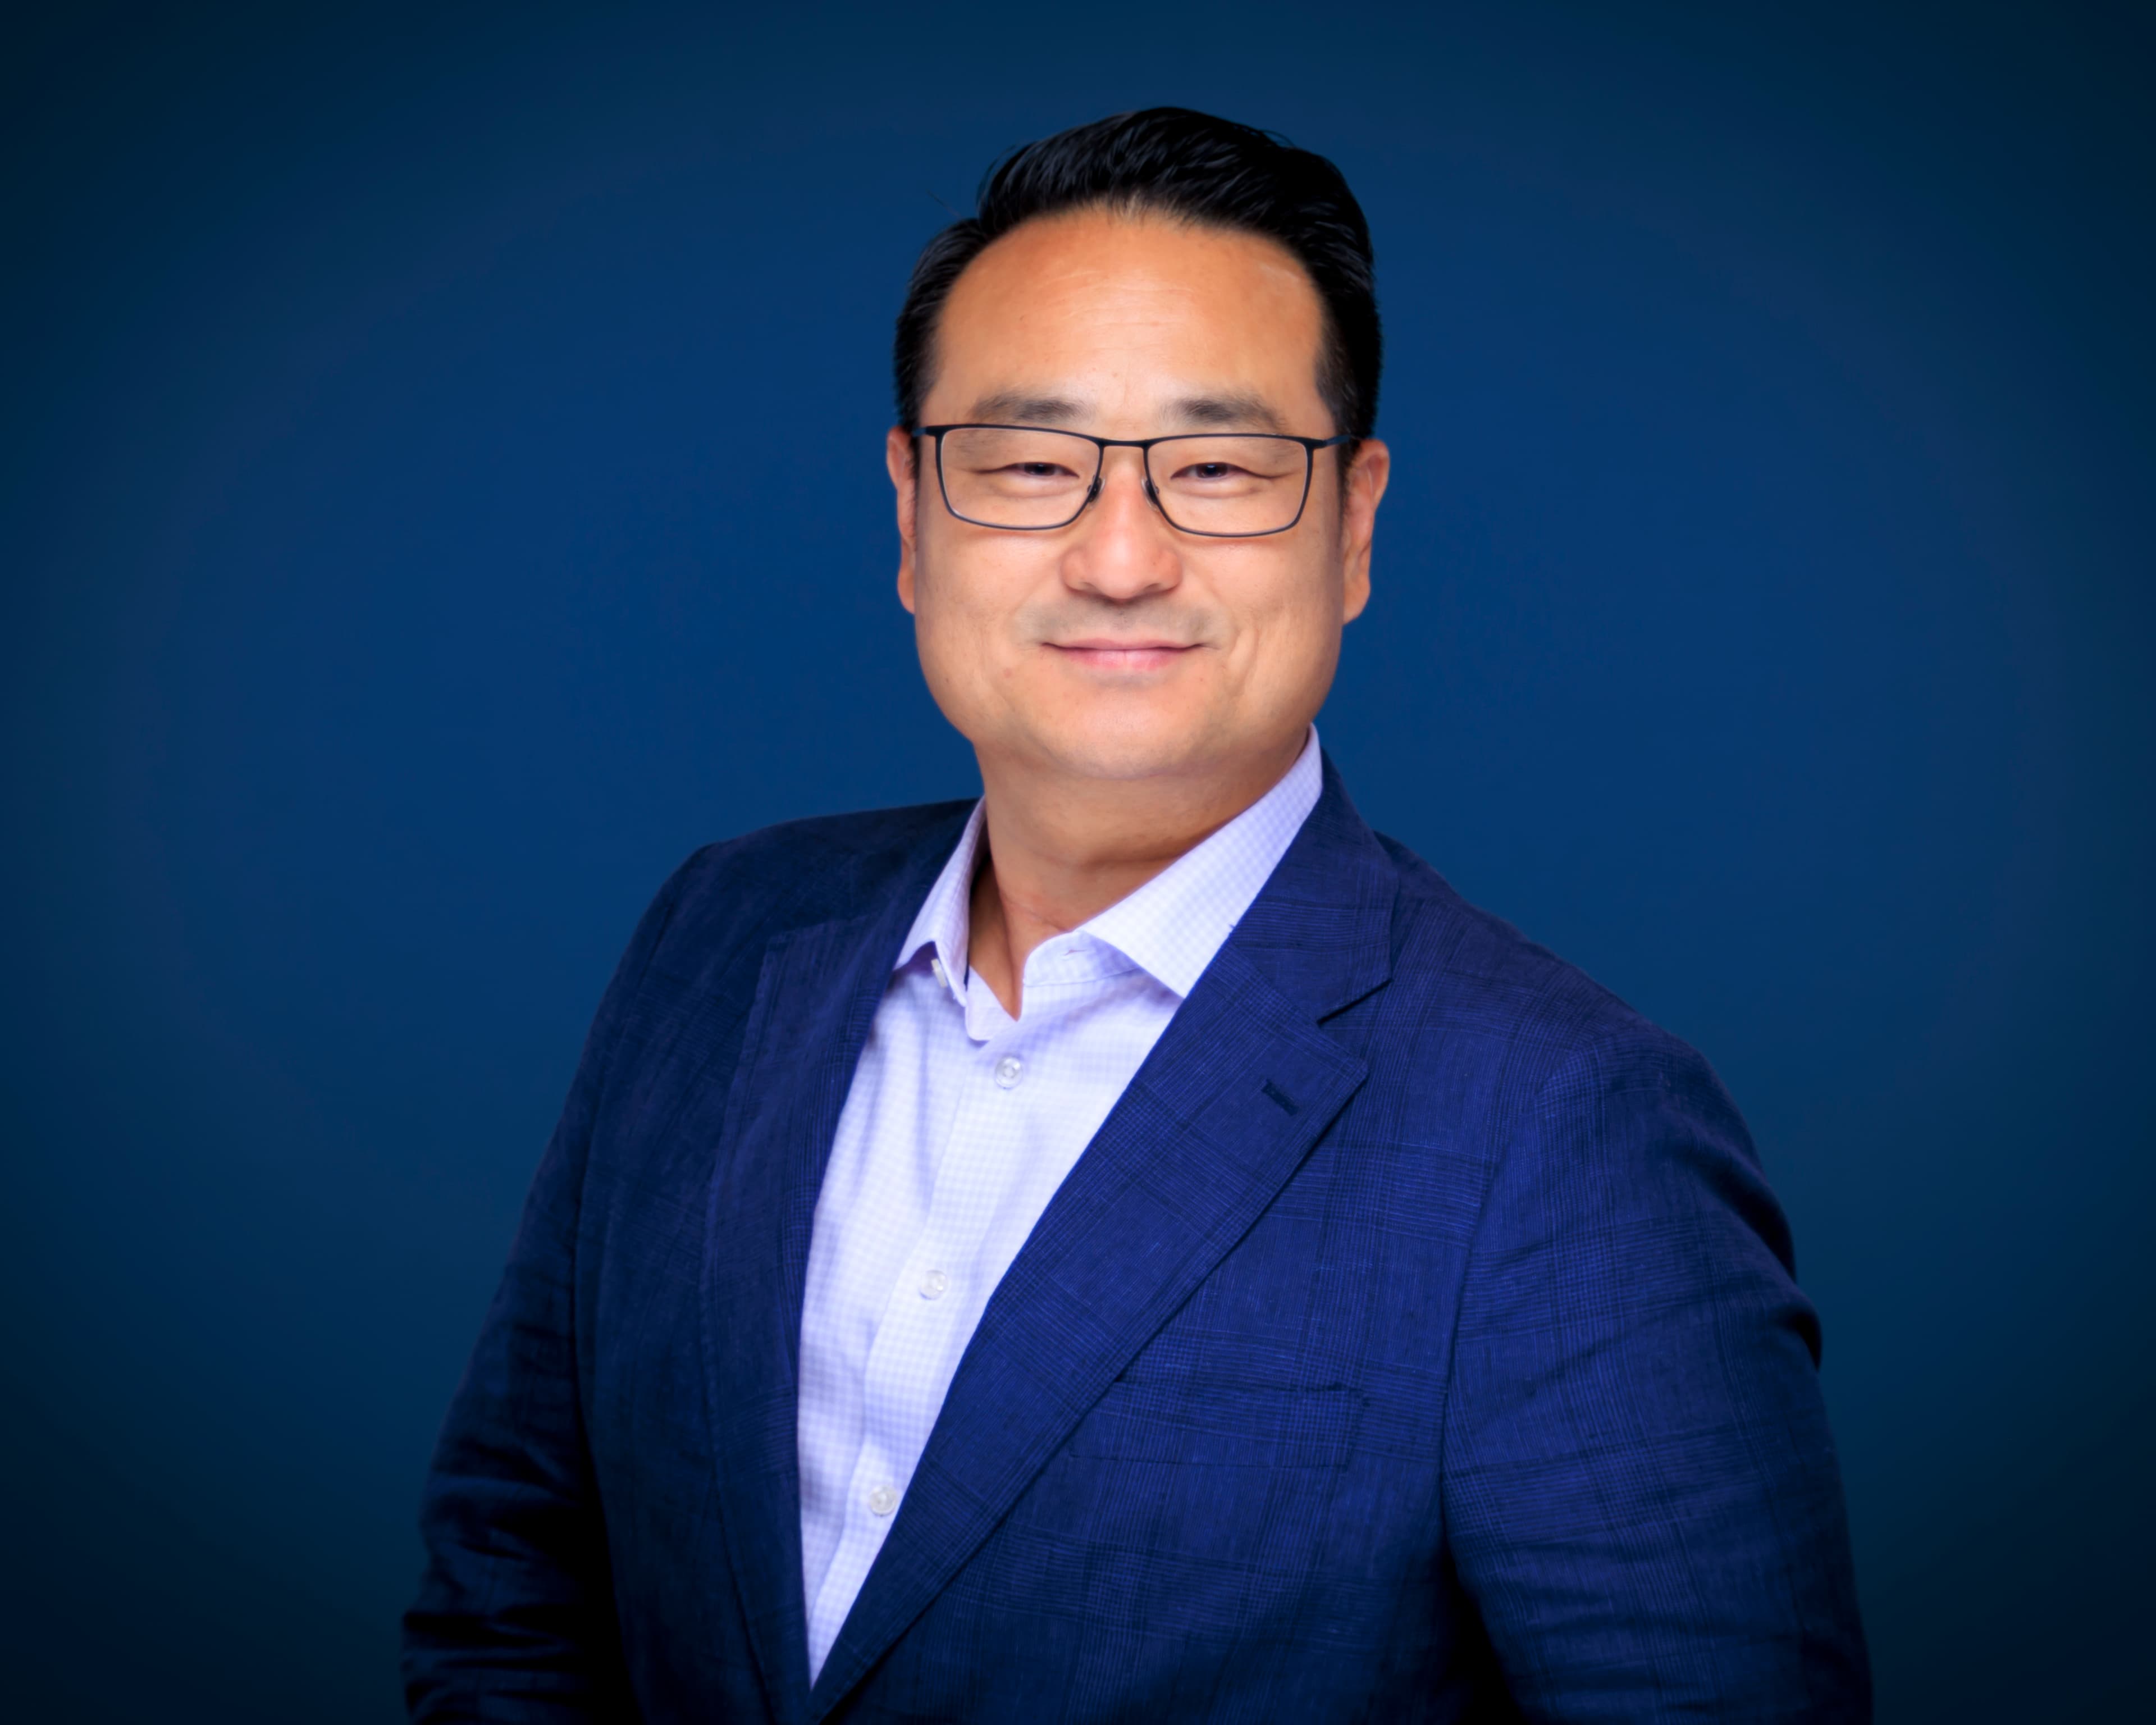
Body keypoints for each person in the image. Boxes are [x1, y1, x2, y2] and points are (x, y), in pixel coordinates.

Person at [404, 108, 1870, 1722]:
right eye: (1030, 465)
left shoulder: (1566, 1133)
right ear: (910, 515)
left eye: (1222, 470)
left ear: (1354, 525)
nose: (1119, 556)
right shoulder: (725, 938)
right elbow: (513, 1577)